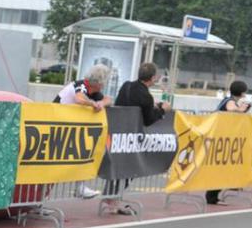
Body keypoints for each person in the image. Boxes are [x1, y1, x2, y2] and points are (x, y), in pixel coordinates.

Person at [102, 62, 173, 214]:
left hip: (117, 133)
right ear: (152, 78)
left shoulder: (127, 86)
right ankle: (113, 199)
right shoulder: (146, 96)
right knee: (131, 168)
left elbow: (128, 102)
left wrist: (152, 105)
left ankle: (111, 197)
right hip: (131, 137)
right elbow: (148, 119)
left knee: (117, 166)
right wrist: (162, 110)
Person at [53, 64, 113, 198]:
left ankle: (80, 188)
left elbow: (108, 99)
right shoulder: (81, 85)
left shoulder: (93, 90)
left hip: (67, 128)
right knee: (53, 163)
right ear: (99, 83)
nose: (104, 85)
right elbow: (79, 98)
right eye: (104, 82)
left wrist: (101, 103)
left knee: (83, 154)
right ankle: (39, 197)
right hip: (55, 126)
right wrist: (92, 103)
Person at [206, 80, 251, 205]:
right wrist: (240, 110)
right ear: (242, 93)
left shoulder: (228, 100)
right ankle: (212, 197)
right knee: (221, 168)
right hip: (220, 140)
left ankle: (223, 189)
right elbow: (231, 109)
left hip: (223, 140)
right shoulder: (230, 101)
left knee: (225, 167)